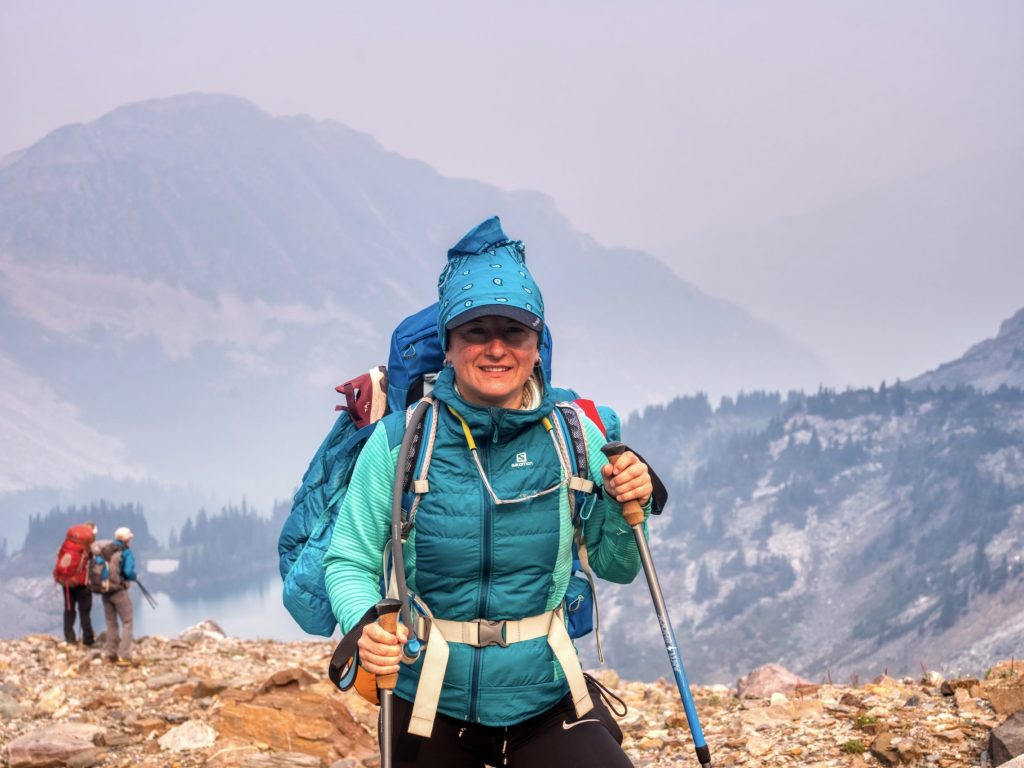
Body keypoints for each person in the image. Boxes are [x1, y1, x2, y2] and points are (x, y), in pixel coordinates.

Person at [324, 217, 653, 767]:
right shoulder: (400, 442)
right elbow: (349, 560)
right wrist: (364, 626)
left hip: (547, 702)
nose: (497, 348)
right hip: (428, 703)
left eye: (515, 331)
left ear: (537, 345)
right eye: (477, 330)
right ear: (449, 346)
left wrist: (626, 507)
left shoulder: (577, 436)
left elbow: (618, 566)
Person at [55, 521, 98, 647]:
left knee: (69, 609)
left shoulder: (68, 543)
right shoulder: (89, 546)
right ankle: (88, 639)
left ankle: (70, 638)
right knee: (84, 611)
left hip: (67, 582)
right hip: (82, 583)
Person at [101, 526, 138, 666]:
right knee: (127, 621)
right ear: (127, 539)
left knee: (111, 622)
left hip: (105, 590)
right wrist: (134, 576)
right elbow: (128, 572)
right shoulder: (126, 552)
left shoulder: (106, 549)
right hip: (118, 590)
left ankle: (111, 653)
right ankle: (125, 654)